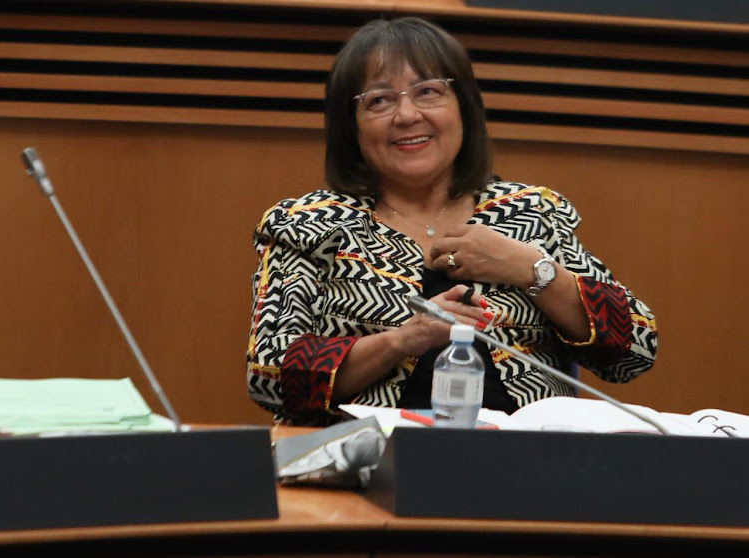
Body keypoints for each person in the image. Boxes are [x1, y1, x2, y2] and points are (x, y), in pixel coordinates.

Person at [246, 16, 657, 426]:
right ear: (351, 127)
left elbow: (635, 347)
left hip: (526, 465)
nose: (407, 115)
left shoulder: (532, 213)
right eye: (379, 100)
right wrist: (402, 341)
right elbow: (269, 374)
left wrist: (531, 268)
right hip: (369, 465)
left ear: (465, 107)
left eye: (428, 92)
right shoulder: (308, 224)